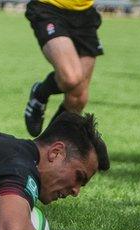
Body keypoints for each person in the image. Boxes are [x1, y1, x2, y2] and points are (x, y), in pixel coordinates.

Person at [22, 0, 104, 137]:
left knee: (78, 98)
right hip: (49, 8)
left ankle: (46, 147)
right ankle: (40, 94)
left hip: (85, 15)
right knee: (71, 77)